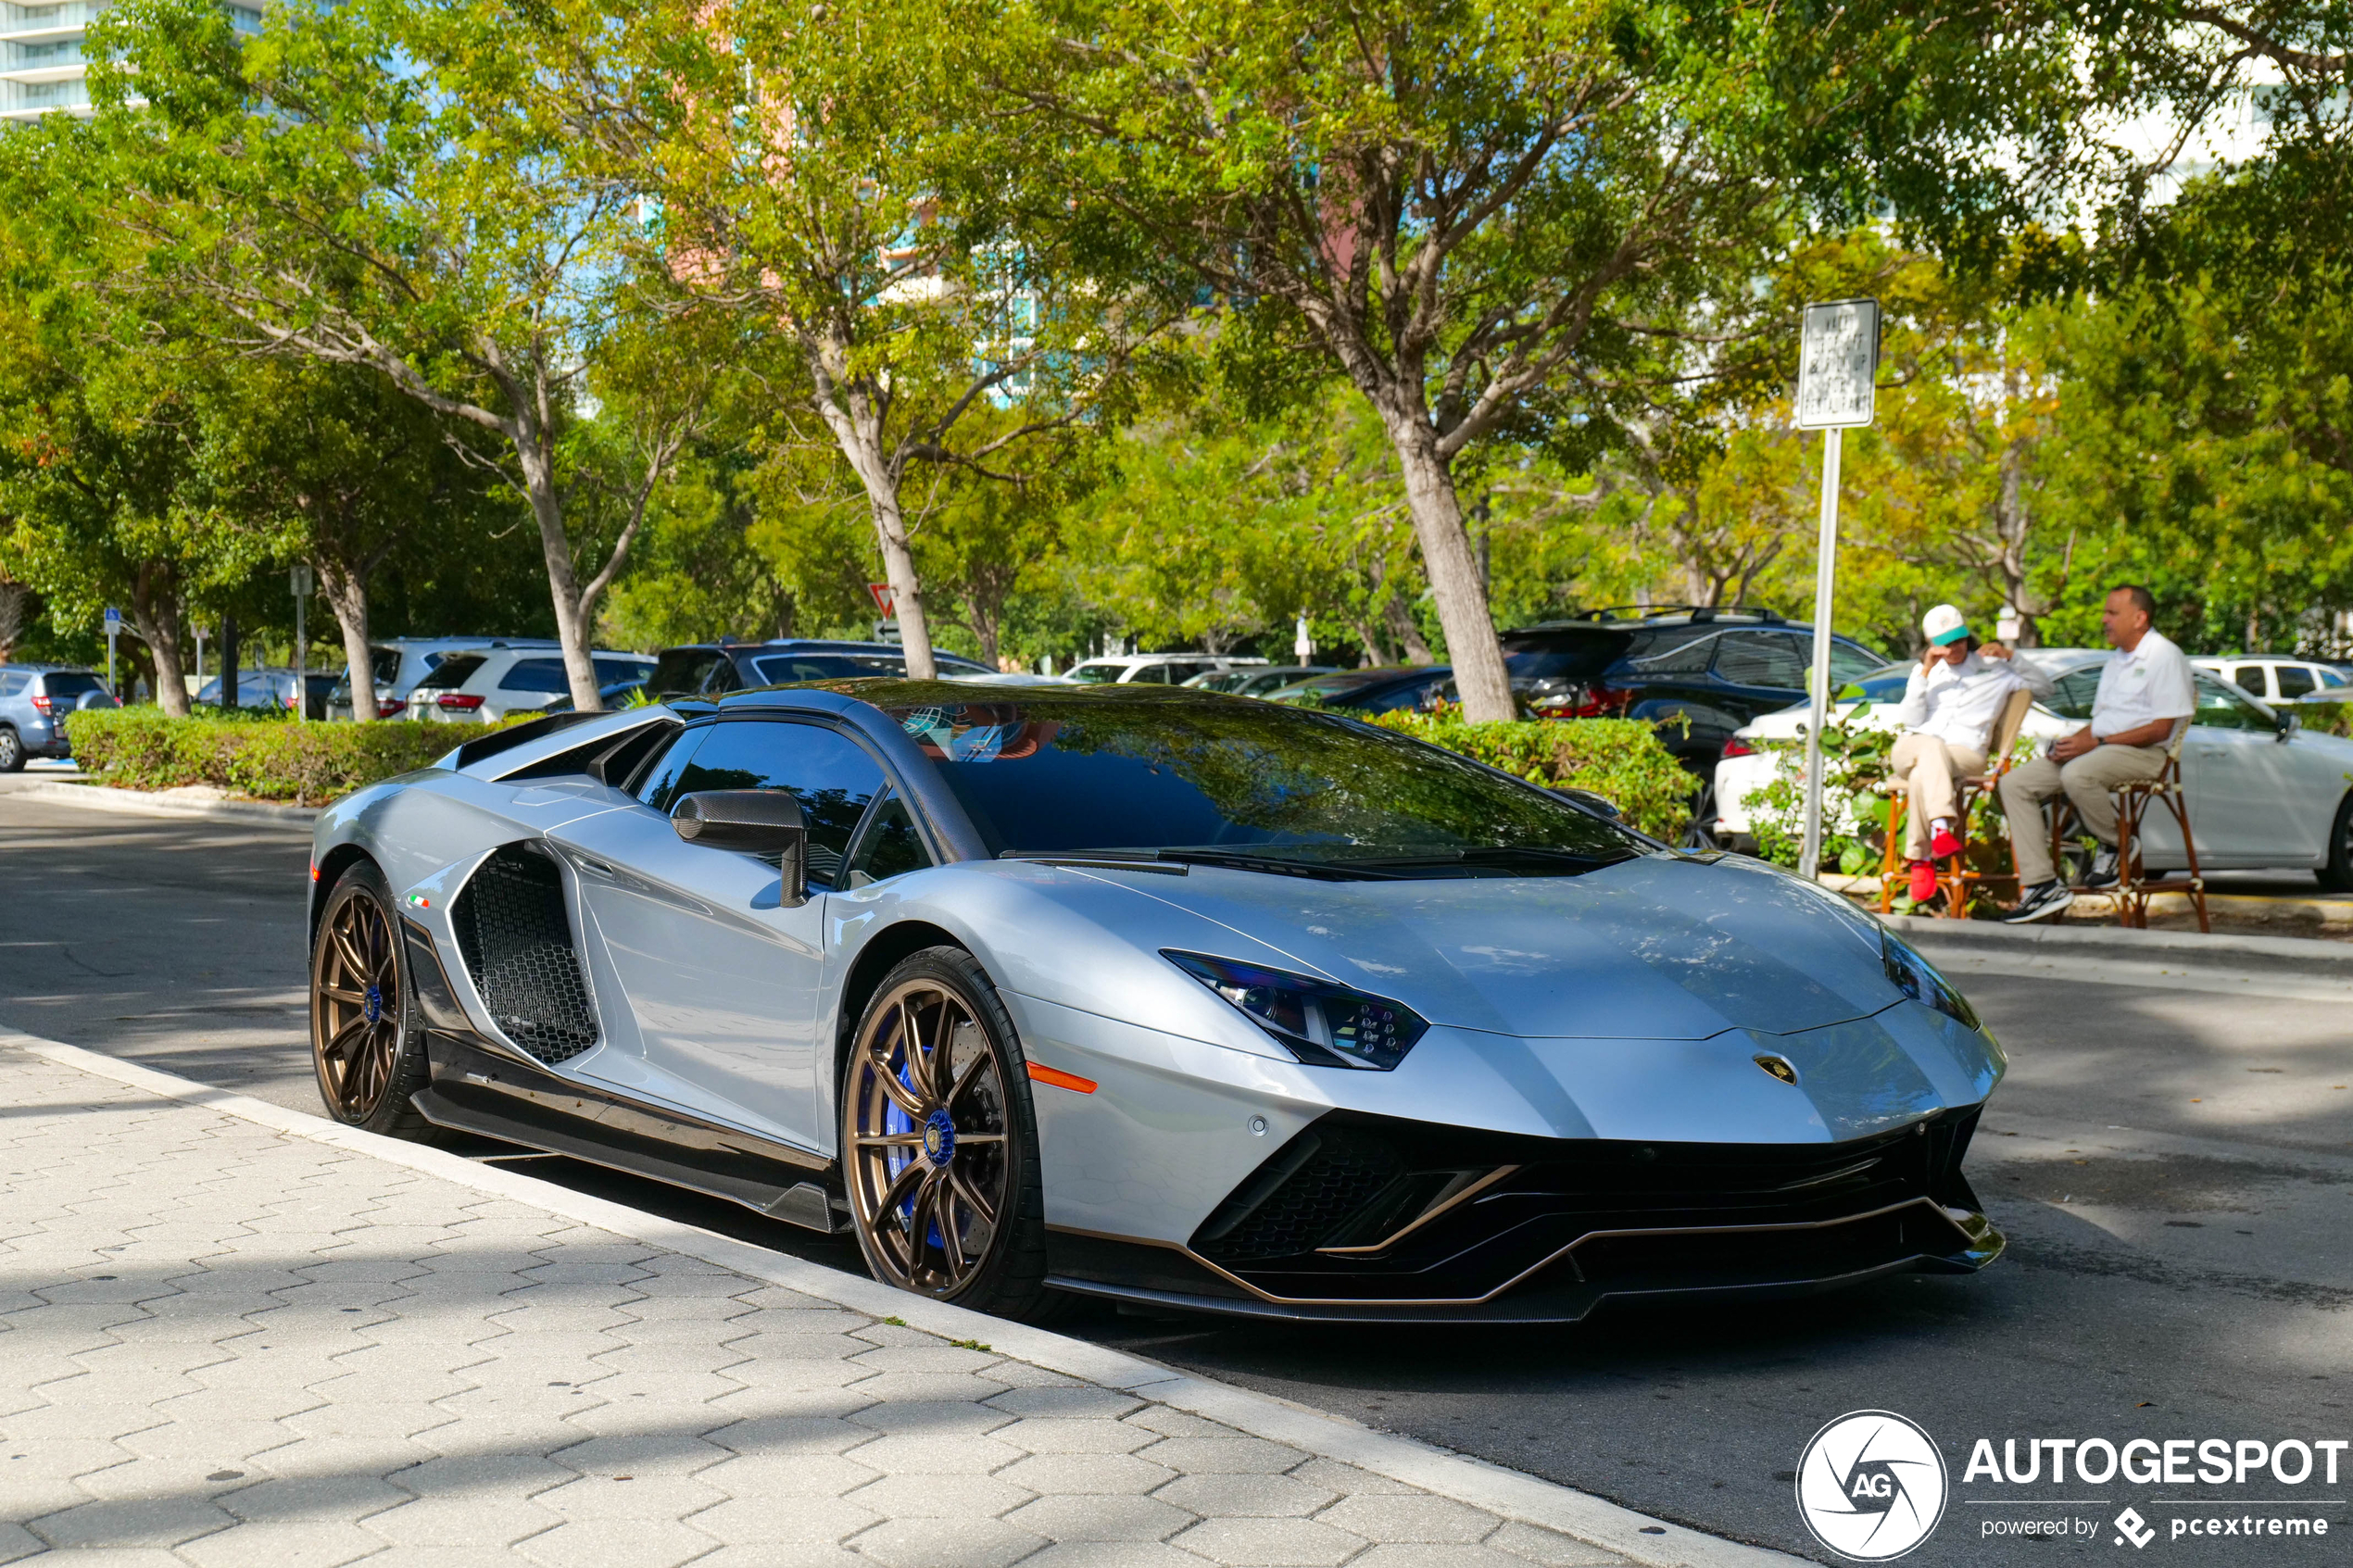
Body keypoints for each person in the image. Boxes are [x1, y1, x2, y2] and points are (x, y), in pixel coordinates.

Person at [2000, 584, 2196, 923]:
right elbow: (2100, 723)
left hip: (2146, 753)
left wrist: (2098, 744)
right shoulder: (2116, 661)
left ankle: (2116, 843)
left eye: (2112, 613)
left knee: (2078, 774)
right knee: (2015, 783)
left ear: (2140, 618)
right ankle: (2042, 885)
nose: (2104, 620)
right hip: (2102, 751)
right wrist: (2069, 743)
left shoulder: (2164, 656)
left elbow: (2162, 728)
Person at [1890, 605, 2054, 906]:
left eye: (1959, 640)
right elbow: (1910, 721)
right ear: (1932, 645)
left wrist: (2013, 657)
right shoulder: (1927, 672)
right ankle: (1940, 829)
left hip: (1964, 753)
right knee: (1929, 746)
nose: (1954, 648)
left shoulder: (1993, 668)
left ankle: (1920, 858)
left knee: (1922, 773)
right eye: (1946, 643)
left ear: (1967, 637)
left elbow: (2045, 689)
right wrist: (1925, 672)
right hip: (1914, 747)